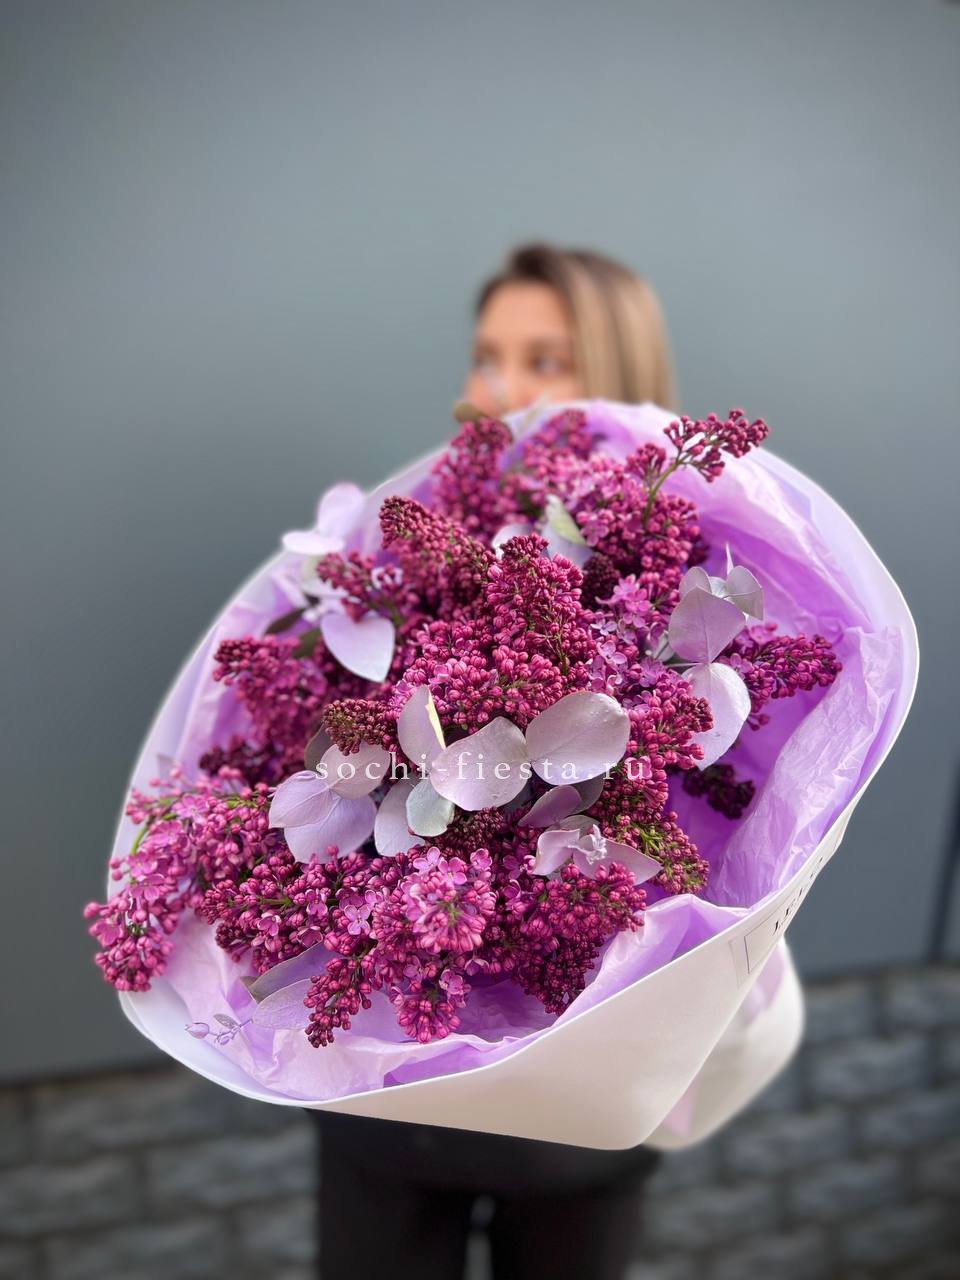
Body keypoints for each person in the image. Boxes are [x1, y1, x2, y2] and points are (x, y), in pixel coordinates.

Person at [311, 243, 680, 1280]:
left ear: (619, 370)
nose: (502, 389)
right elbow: (335, 756)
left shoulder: (679, 553)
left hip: (578, 1102)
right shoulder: (412, 551)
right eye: (487, 357)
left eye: (545, 360)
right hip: (392, 1089)